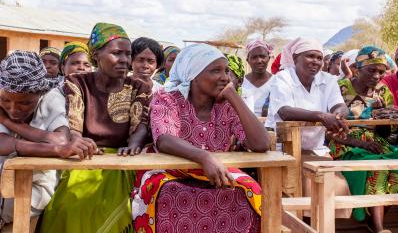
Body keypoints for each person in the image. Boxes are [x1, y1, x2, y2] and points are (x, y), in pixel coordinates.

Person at [131, 44, 269, 233]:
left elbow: (261, 144)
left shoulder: (226, 105)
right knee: (168, 193)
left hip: (214, 172)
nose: (225, 77)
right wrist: (204, 157)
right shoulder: (168, 98)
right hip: (170, 171)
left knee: (248, 190)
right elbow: (165, 139)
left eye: (226, 71)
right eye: (216, 71)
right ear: (192, 74)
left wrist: (233, 96)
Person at [40, 23, 152, 233]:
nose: (124, 60)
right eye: (116, 53)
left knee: (127, 207)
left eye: (128, 54)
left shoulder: (138, 87)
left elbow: (141, 125)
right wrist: (76, 140)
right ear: (96, 55)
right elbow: (74, 121)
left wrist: (134, 145)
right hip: (84, 159)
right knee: (71, 204)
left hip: (123, 161)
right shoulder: (78, 83)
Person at [329, 46, 398, 233]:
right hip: (345, 143)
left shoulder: (382, 91)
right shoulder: (341, 88)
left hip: (376, 142)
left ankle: (372, 222)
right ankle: (378, 228)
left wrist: (383, 118)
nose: (377, 76)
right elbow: (328, 129)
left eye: (381, 71)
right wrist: (360, 143)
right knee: (377, 167)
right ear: (357, 68)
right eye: (371, 70)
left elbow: (387, 134)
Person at [0, 51, 95, 226]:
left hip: (34, 188)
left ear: (40, 93)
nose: (13, 109)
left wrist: (7, 121)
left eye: (25, 103)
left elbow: (59, 141)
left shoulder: (51, 98)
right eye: (6, 101)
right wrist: (56, 150)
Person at [265, 37, 352, 218]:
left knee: (331, 188)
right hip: (283, 149)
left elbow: (339, 105)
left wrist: (338, 115)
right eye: (310, 56)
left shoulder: (327, 80)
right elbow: (285, 111)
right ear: (295, 58)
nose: (316, 62)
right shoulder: (282, 78)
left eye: (319, 58)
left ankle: (319, 226)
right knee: (305, 189)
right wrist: (321, 116)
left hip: (315, 149)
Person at [242, 38, 273, 117]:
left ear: (269, 58)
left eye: (262, 56)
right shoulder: (240, 82)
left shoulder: (276, 82)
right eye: (254, 57)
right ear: (247, 60)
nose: (259, 61)